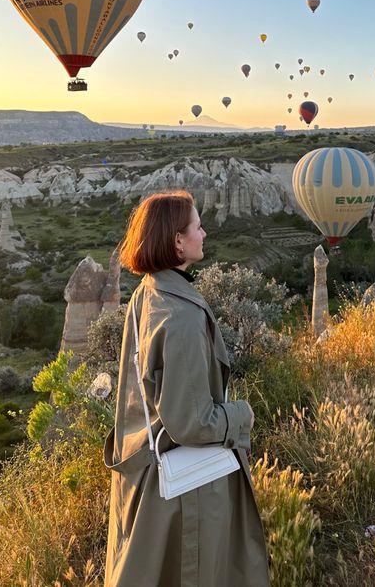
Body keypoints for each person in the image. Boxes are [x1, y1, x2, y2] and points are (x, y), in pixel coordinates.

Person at [103, 190, 270, 587]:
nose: (205, 233)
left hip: (146, 474)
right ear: (178, 240)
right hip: (187, 494)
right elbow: (191, 422)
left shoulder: (148, 293)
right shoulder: (181, 317)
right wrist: (241, 415)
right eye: (197, 226)